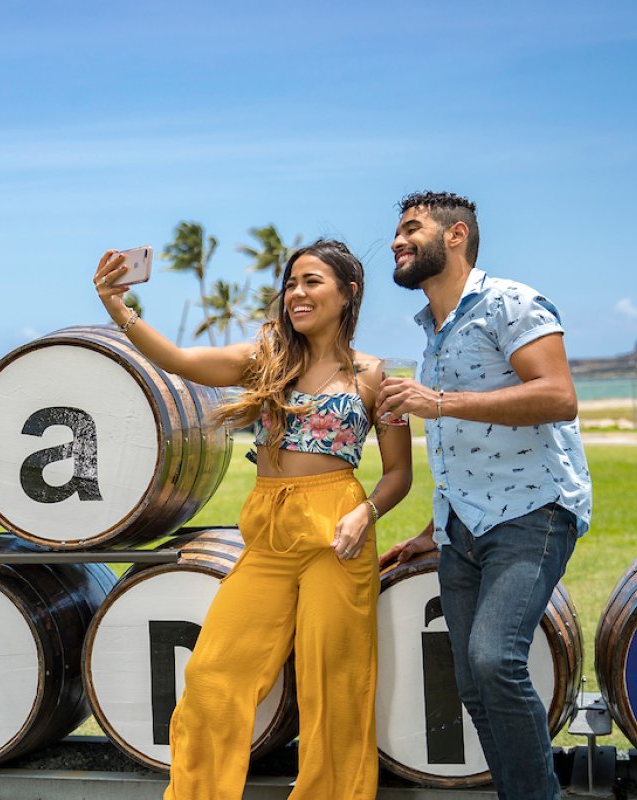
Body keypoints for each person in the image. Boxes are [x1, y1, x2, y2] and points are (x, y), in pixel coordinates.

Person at [94, 239, 412, 800]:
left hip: (337, 536)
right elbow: (181, 361)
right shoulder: (267, 358)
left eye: (312, 281)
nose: (297, 293)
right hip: (269, 538)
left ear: (349, 293)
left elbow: (397, 475)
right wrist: (120, 310)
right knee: (213, 677)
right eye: (291, 283)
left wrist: (367, 512)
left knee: (335, 688)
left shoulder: (375, 377)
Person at [378, 191, 591, 800]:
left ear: (456, 235)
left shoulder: (511, 302)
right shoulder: (433, 330)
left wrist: (436, 402)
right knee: (472, 682)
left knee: (496, 661)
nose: (396, 240)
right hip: (461, 528)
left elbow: (558, 396)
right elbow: (463, 445)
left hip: (533, 511)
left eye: (410, 229)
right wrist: (432, 528)